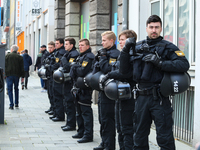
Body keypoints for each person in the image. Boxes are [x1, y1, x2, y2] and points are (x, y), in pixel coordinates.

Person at [119, 15, 190, 150]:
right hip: (141, 98)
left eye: (156, 27)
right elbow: (124, 71)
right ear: (146, 28)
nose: (154, 30)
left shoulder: (168, 47)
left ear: (161, 29)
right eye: (151, 27)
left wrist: (161, 63)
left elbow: (184, 64)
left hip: (159, 98)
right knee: (139, 138)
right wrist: (125, 50)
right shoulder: (137, 46)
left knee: (165, 138)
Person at [100, 30, 137, 150]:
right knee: (120, 128)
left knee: (127, 129)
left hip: (129, 96)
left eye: (123, 39)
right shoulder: (123, 54)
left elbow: (125, 73)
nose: (120, 42)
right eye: (120, 39)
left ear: (130, 41)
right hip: (120, 96)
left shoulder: (133, 55)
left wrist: (110, 75)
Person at [93, 31, 120, 150]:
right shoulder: (104, 52)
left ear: (111, 41)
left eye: (104, 40)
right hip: (102, 90)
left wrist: (103, 58)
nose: (102, 43)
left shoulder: (115, 54)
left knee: (108, 119)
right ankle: (104, 142)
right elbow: (95, 69)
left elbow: (107, 69)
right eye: (102, 40)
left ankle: (109, 145)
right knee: (102, 118)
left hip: (110, 91)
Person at [70, 38, 94, 143]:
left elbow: (82, 71)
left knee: (85, 112)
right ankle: (81, 131)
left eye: (82, 45)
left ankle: (88, 135)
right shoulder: (81, 56)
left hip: (85, 88)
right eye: (79, 45)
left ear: (88, 46)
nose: (80, 47)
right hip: (78, 87)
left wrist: (75, 67)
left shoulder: (89, 57)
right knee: (78, 111)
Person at [60, 38, 79, 131]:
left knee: (70, 103)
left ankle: (71, 124)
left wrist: (63, 60)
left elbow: (68, 67)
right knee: (67, 102)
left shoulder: (74, 54)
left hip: (71, 82)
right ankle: (69, 122)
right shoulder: (68, 53)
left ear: (71, 45)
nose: (65, 46)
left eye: (67, 44)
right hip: (66, 81)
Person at [49, 38, 66, 121]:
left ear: (61, 44)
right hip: (55, 76)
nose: (56, 45)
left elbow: (58, 64)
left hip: (59, 77)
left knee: (58, 97)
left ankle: (59, 115)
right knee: (55, 96)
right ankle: (56, 113)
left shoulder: (61, 52)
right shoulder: (57, 52)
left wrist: (50, 67)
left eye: (57, 43)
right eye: (55, 43)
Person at [5, 45, 25, 109]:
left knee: (10, 89)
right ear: (17, 50)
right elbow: (22, 67)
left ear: (11, 49)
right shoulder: (20, 57)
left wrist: (5, 74)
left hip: (9, 75)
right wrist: (23, 76)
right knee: (16, 89)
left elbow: (4, 65)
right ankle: (16, 103)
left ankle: (11, 104)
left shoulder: (7, 56)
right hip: (17, 75)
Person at [44, 41, 56, 116]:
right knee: (49, 94)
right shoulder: (48, 54)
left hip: (53, 76)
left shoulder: (55, 54)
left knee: (53, 94)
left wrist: (49, 67)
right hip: (48, 76)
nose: (50, 49)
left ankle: (54, 108)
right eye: (49, 47)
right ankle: (52, 107)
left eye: (51, 47)